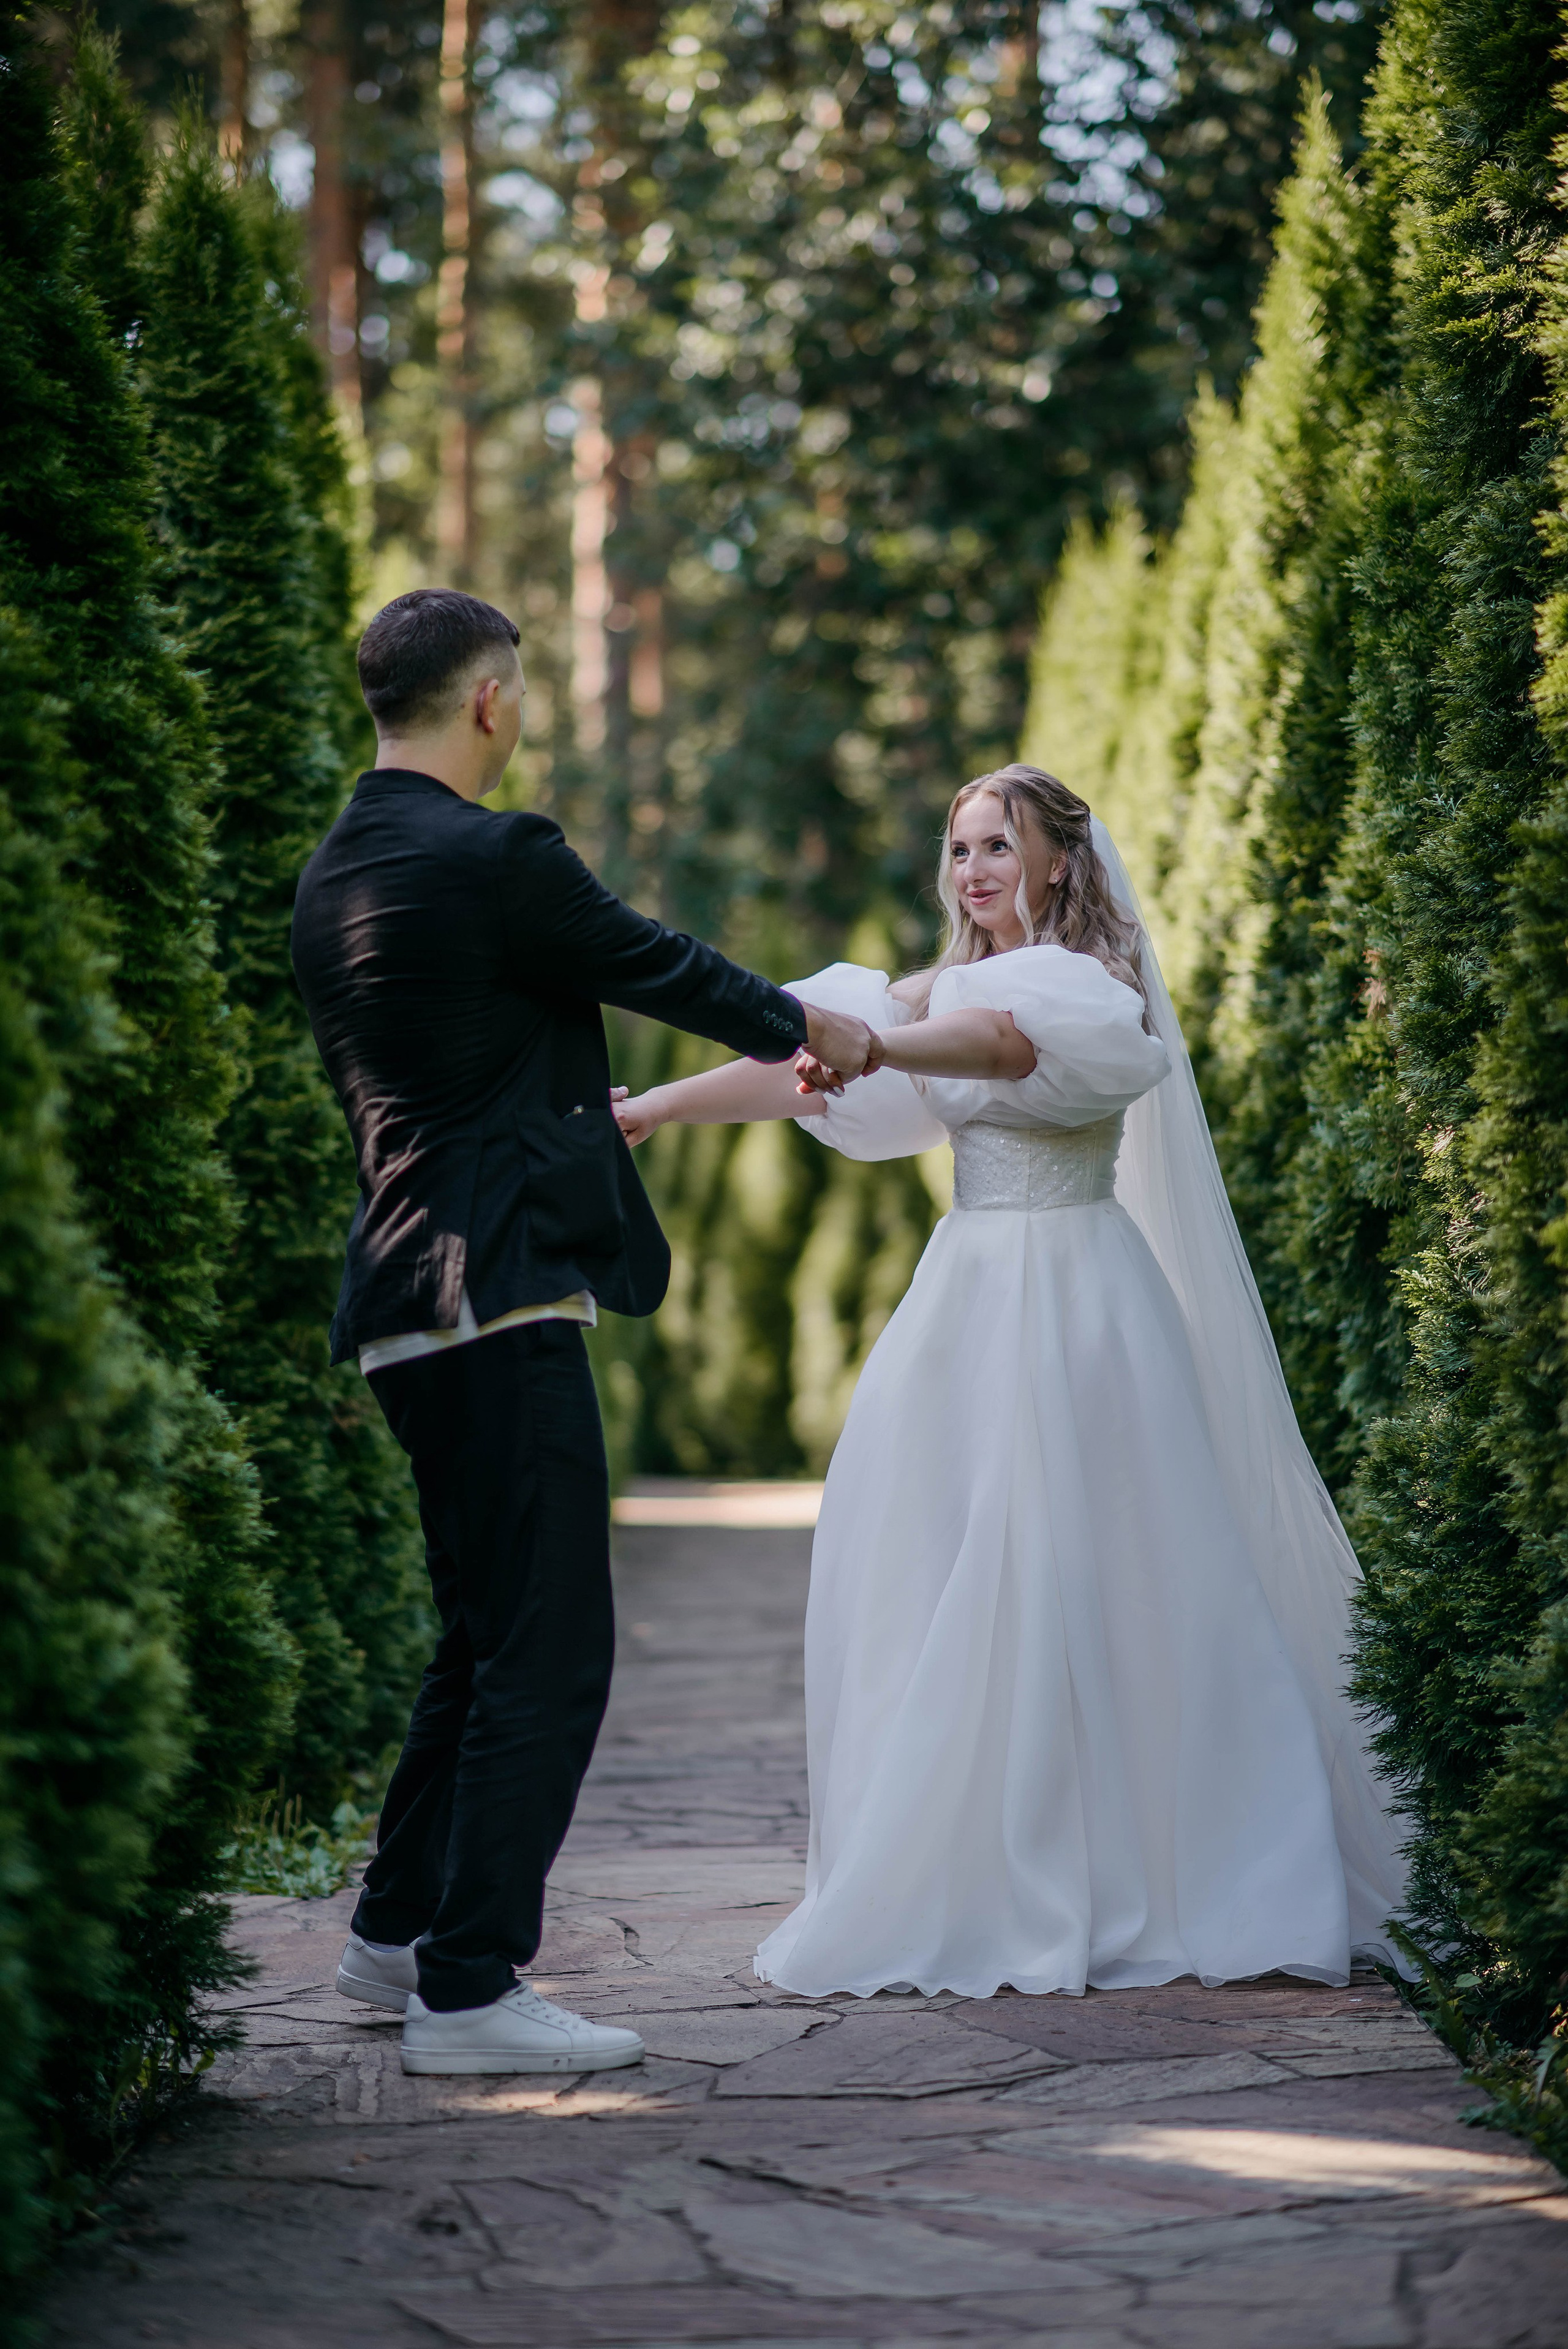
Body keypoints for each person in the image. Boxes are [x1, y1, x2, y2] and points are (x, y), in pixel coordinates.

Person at [613, 764, 1409, 2000]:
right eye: (956, 847)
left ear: (1055, 859)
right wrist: (658, 1107)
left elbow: (1000, 1044)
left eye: (998, 844)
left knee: (1106, 1578)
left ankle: (1163, 1864)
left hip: (1081, 1302)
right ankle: (980, 1862)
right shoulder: (937, 986)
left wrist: (876, 1040)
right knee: (940, 1570)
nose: (972, 867)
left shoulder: (1085, 982)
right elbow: (803, 1063)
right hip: (965, 1302)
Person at [290, 589, 873, 2073]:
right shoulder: (499, 852)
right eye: (522, 692)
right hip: (497, 1298)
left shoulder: (334, 868)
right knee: (551, 1651)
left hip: (401, 1300)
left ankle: (390, 1940)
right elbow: (654, 959)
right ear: (487, 698)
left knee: (481, 1640)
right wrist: (813, 1026)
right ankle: (471, 1990)